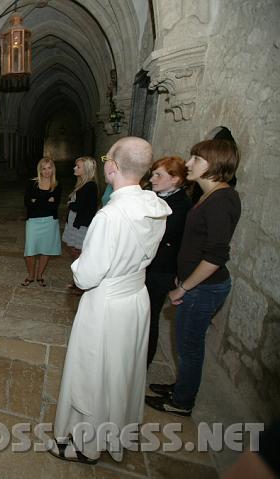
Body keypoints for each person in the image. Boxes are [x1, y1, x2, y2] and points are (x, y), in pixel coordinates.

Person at [50, 137, 171, 465]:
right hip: (136, 297)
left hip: (107, 303)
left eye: (107, 157)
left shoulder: (111, 216)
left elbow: (85, 277)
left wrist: (78, 264)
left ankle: (87, 445)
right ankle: (116, 431)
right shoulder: (155, 207)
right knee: (122, 370)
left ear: (112, 167)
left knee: (95, 372)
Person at [146, 139, 241, 416]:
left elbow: (215, 256)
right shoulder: (210, 196)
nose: (189, 164)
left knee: (189, 348)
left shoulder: (222, 200)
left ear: (215, 165)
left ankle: (182, 402)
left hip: (204, 288)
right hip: (196, 285)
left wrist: (184, 287)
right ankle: (181, 387)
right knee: (185, 343)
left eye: (196, 160)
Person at [144, 156, 191, 368]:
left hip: (160, 270)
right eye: (153, 173)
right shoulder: (152, 194)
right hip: (146, 265)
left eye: (158, 175)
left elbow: (162, 236)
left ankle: (143, 362)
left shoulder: (180, 205)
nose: (152, 179)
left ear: (175, 179)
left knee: (149, 316)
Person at [22, 157, 62, 287]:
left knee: (46, 249)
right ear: (40, 170)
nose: (46, 171)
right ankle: (30, 275)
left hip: (50, 221)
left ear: (53, 169)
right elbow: (27, 203)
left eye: (49, 168)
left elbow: (54, 205)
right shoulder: (31, 183)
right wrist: (46, 200)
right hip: (33, 221)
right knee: (30, 249)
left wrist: (37, 200)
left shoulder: (57, 185)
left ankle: (39, 275)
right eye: (43, 168)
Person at [61, 156, 98, 293]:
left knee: (80, 254)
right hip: (75, 222)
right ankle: (77, 281)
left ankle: (81, 283)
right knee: (75, 251)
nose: (75, 168)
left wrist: (71, 204)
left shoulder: (90, 185)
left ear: (86, 169)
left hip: (81, 225)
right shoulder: (82, 183)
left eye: (78, 166)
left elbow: (79, 206)